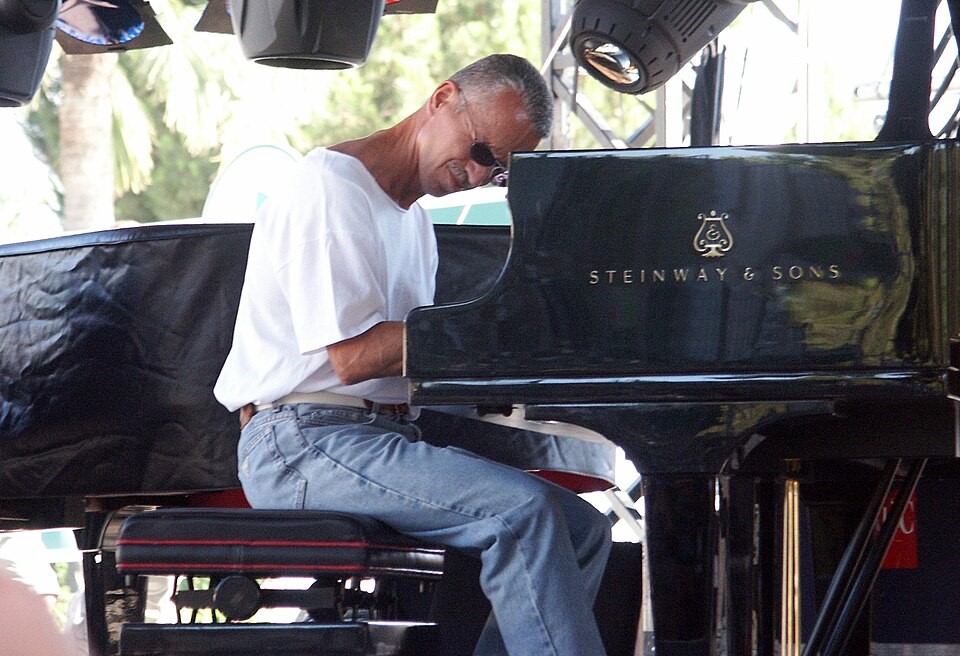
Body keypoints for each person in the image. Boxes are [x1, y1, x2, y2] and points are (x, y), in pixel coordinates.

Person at [214, 53, 613, 656]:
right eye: (481, 152)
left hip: (375, 434)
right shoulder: (331, 187)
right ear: (442, 98)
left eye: (498, 173)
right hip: (301, 440)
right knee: (523, 514)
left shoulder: (416, 222)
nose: (478, 176)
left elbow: (411, 363)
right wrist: (494, 327)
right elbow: (354, 357)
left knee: (583, 529)